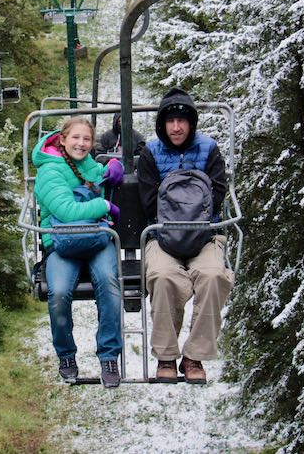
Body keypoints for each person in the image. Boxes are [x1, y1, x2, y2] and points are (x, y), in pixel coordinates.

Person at [136, 87, 233, 384]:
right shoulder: (151, 153)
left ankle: (194, 355)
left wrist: (192, 212)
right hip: (164, 235)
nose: (176, 127)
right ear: (162, 124)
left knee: (214, 276)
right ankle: (167, 355)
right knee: (162, 278)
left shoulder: (209, 149)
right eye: (170, 121)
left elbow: (217, 195)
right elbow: (149, 201)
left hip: (204, 233)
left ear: (191, 123)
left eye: (182, 121)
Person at [32, 117, 125, 388]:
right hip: (63, 244)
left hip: (96, 241)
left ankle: (109, 356)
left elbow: (101, 175)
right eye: (75, 138)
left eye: (86, 139)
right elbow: (67, 213)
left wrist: (113, 168)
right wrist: (104, 206)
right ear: (62, 139)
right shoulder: (50, 171)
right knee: (59, 292)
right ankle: (66, 355)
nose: (81, 144)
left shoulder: (88, 166)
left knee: (109, 283)